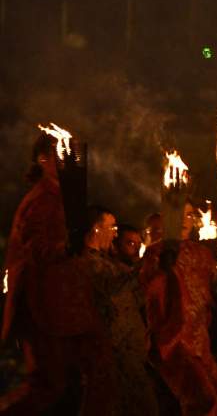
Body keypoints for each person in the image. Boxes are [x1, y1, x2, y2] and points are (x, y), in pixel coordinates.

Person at [0, 133, 111, 415]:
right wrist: (67, 247)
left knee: (93, 372)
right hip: (45, 307)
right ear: (42, 160)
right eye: (58, 153)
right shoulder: (40, 199)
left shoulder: (63, 198)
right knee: (49, 385)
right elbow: (36, 250)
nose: (67, 159)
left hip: (69, 305)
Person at [141, 202, 217, 416]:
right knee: (205, 401)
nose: (185, 219)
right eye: (179, 214)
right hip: (171, 342)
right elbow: (147, 290)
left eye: (190, 215)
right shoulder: (156, 253)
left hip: (200, 341)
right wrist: (164, 269)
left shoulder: (202, 254)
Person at [81, 205, 158, 416]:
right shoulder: (88, 262)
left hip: (129, 350)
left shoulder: (108, 262)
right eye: (112, 228)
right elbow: (112, 287)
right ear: (96, 229)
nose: (115, 233)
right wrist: (146, 261)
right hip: (115, 350)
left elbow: (133, 296)